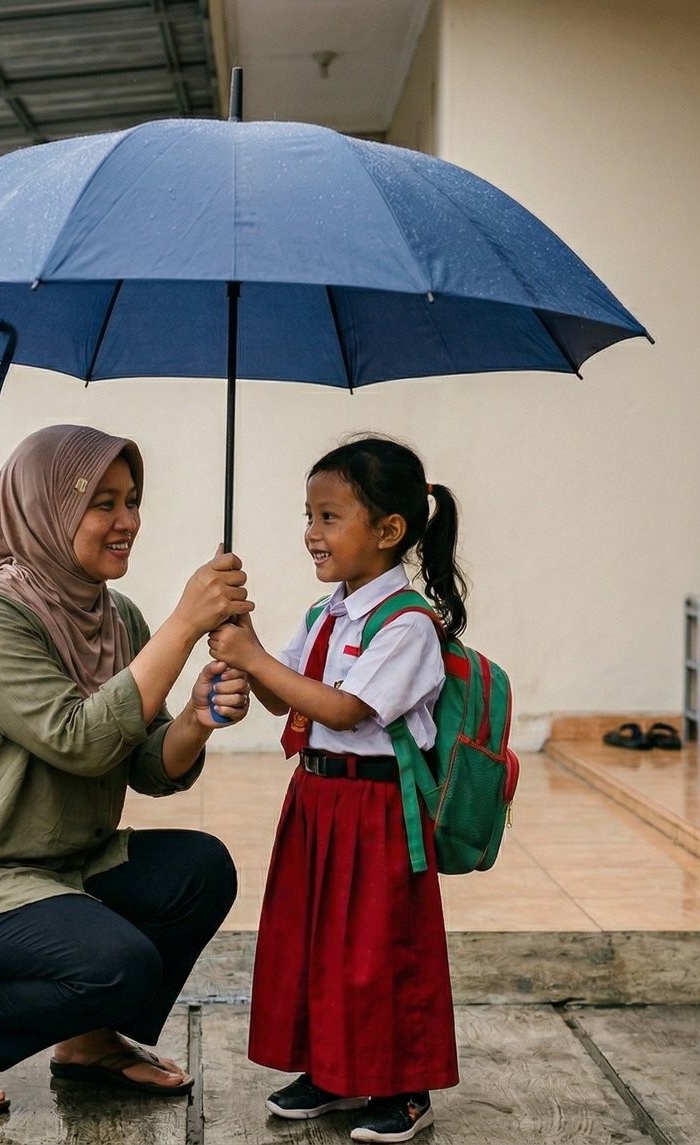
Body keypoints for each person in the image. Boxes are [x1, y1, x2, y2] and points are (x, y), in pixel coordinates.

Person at [0, 423, 253, 1117]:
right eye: (102, 502)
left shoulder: (119, 617)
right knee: (117, 962)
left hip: (63, 867)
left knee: (200, 869)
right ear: (45, 507)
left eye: (133, 499)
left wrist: (196, 720)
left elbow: (142, 760)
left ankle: (87, 1040)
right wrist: (183, 624)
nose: (128, 521)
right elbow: (78, 738)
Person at [208, 436, 465, 1144]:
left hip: (378, 809)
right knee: (316, 938)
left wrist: (253, 656)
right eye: (308, 516)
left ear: (389, 530)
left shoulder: (408, 624)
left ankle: (405, 1086)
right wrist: (239, 624)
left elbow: (347, 708)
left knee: (379, 948)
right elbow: (281, 697)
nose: (311, 534)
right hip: (316, 802)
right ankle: (333, 1067)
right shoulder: (327, 614)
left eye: (329, 517)